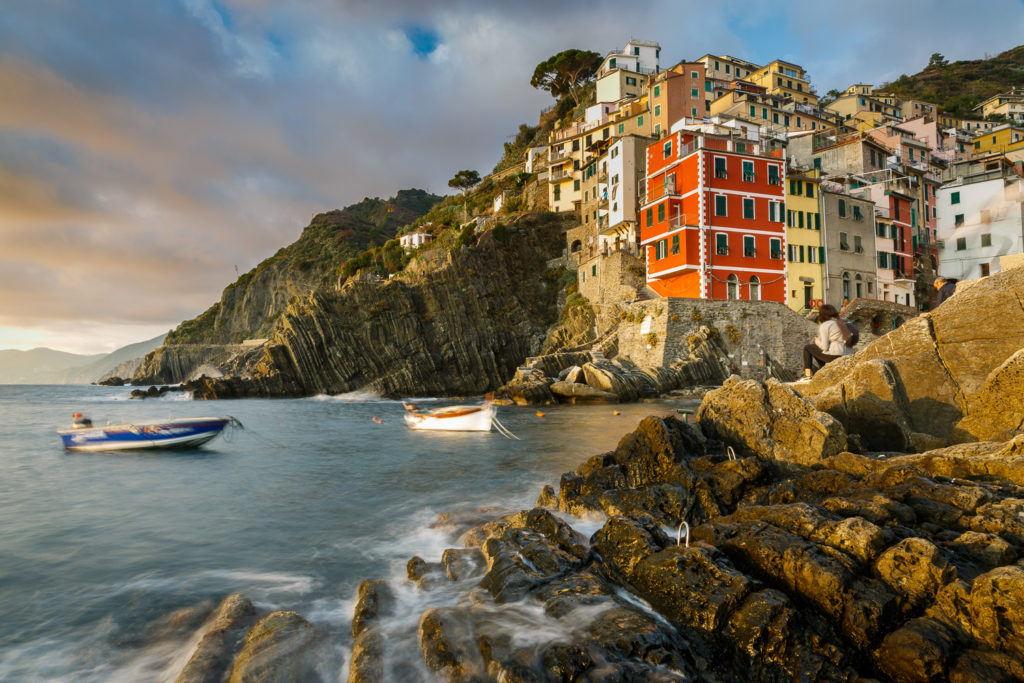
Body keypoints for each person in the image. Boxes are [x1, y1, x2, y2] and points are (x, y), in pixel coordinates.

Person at [799, 304, 850, 381]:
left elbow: (825, 346)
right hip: (843, 354)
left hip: (834, 356)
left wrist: (817, 341)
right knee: (815, 350)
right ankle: (823, 370)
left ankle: (808, 374)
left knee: (808, 348)